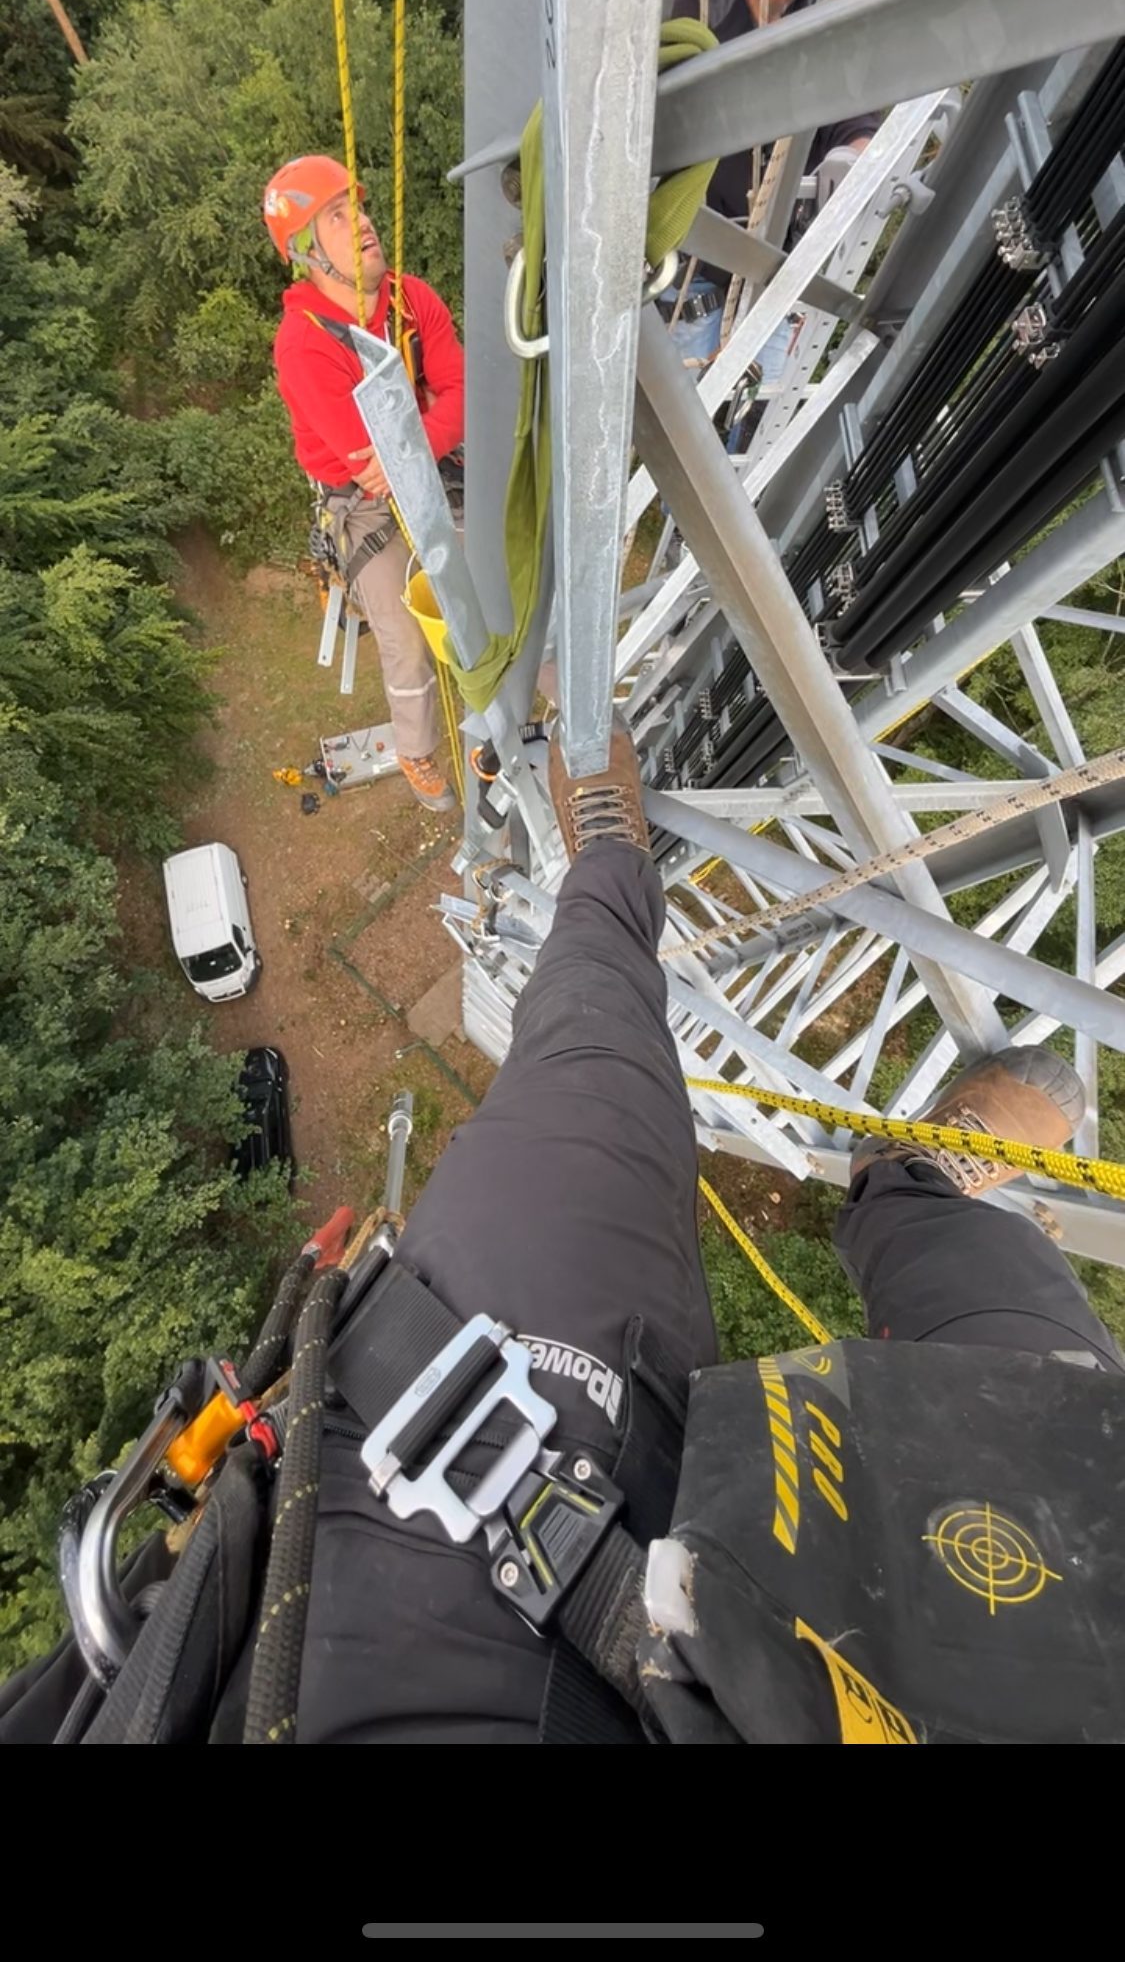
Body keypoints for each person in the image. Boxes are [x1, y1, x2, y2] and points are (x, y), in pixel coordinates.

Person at [4, 726, 1124, 1745]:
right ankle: (917, 1194)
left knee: (590, 1062)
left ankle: (609, 878)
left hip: (399, 1577)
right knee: (1060, 1438)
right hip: (871, 1686)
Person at [664, 0, 879, 391]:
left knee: (756, 455)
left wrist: (853, 161)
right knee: (689, 452)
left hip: (781, 284)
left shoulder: (837, 22)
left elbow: (858, 122)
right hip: (692, 287)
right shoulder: (689, 12)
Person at [263, 153, 463, 814]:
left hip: (434, 460)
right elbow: (370, 464)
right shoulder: (305, 343)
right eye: (337, 217)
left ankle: (546, 686)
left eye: (359, 207)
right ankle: (414, 745)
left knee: (494, 573)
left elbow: (464, 391)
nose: (363, 223)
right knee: (406, 633)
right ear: (307, 256)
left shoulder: (410, 298)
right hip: (365, 505)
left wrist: (432, 435)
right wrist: (440, 422)